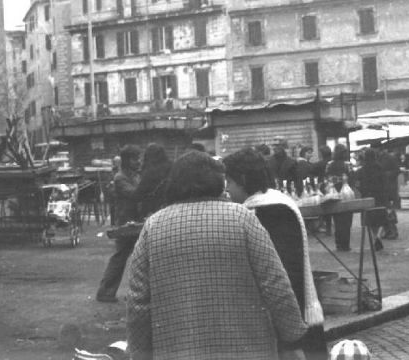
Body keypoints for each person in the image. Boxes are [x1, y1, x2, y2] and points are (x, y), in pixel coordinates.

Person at [126, 151, 308, 360]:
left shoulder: (153, 227)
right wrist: (292, 338)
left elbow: (138, 300)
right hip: (246, 349)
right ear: (218, 182)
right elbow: (275, 283)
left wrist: (140, 352)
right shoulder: (242, 219)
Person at [223, 147, 327, 360]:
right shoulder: (272, 204)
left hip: (288, 325)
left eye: (229, 182)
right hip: (290, 320)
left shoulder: (270, 211)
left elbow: (282, 275)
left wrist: (289, 337)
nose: (227, 189)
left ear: (242, 179)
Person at [96, 144, 142, 303]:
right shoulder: (120, 177)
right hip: (126, 224)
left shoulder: (135, 175)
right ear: (127, 160)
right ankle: (104, 292)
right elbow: (134, 194)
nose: (138, 161)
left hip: (136, 222)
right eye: (135, 159)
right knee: (120, 258)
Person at [356, 148, 387, 252]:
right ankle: (378, 236)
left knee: (371, 220)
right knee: (382, 218)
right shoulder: (380, 168)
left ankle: (375, 238)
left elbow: (357, 182)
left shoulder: (362, 169)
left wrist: (362, 190)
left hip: (367, 197)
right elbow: (384, 182)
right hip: (379, 196)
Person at [326, 143, 354, 252]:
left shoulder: (329, 164)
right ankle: (345, 244)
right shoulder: (348, 164)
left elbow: (327, 177)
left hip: (334, 193)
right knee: (347, 220)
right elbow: (352, 178)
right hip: (346, 194)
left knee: (337, 220)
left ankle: (338, 244)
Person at [136, 143, 172, 219]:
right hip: (170, 208)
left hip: (152, 210)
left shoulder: (150, 172)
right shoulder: (172, 166)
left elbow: (138, 194)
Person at [379, 148, 400, 239]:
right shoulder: (378, 158)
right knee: (384, 209)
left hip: (390, 187)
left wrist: (387, 175)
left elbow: (397, 170)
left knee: (388, 209)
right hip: (382, 187)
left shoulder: (390, 158)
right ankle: (387, 230)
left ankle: (393, 231)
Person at [312, 145, 333, 235]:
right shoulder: (332, 163)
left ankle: (327, 227)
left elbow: (312, 171)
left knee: (326, 206)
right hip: (332, 185)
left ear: (321, 154)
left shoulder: (319, 164)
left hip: (322, 186)